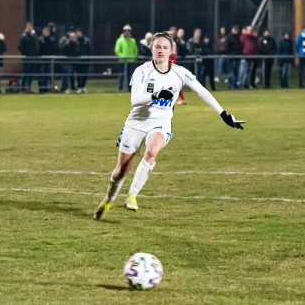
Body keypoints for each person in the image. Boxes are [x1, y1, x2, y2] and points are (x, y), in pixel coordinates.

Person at [94, 31, 244, 220]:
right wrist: (156, 95)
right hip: (136, 123)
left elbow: (202, 91)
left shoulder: (180, 73)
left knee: (152, 151)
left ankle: (132, 195)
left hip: (160, 124)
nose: (161, 51)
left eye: (165, 47)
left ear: (171, 50)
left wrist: (223, 113)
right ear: (151, 48)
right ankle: (108, 200)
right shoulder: (142, 70)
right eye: (157, 47)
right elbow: (135, 100)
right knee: (120, 171)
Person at [114, 24, 138, 92]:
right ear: (123, 31)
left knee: (130, 76)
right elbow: (117, 50)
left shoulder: (133, 40)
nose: (127, 32)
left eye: (128, 31)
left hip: (131, 61)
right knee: (121, 75)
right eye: (125, 31)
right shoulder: (119, 40)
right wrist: (122, 57)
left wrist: (134, 57)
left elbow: (135, 50)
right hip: (122, 61)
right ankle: (120, 88)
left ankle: (130, 89)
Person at [18, 22, 38, 93]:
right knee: (27, 72)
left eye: (30, 26)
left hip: (34, 57)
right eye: (28, 26)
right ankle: (23, 87)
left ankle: (28, 86)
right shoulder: (24, 36)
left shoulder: (34, 35)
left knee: (32, 73)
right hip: (27, 57)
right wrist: (26, 52)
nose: (29, 28)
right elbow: (20, 46)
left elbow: (36, 45)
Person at [37, 25, 57, 93]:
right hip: (42, 60)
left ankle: (47, 88)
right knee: (42, 74)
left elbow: (54, 50)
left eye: (46, 31)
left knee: (48, 74)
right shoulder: (39, 39)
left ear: (48, 32)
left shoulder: (52, 40)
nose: (45, 32)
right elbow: (38, 50)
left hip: (49, 60)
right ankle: (41, 88)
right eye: (44, 31)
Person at [225, 25, 242, 90]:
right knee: (231, 72)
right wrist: (230, 54)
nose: (236, 30)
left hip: (237, 57)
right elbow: (226, 47)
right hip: (231, 58)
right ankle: (231, 85)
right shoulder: (229, 37)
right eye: (235, 29)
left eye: (237, 29)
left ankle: (235, 85)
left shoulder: (238, 37)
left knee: (236, 72)